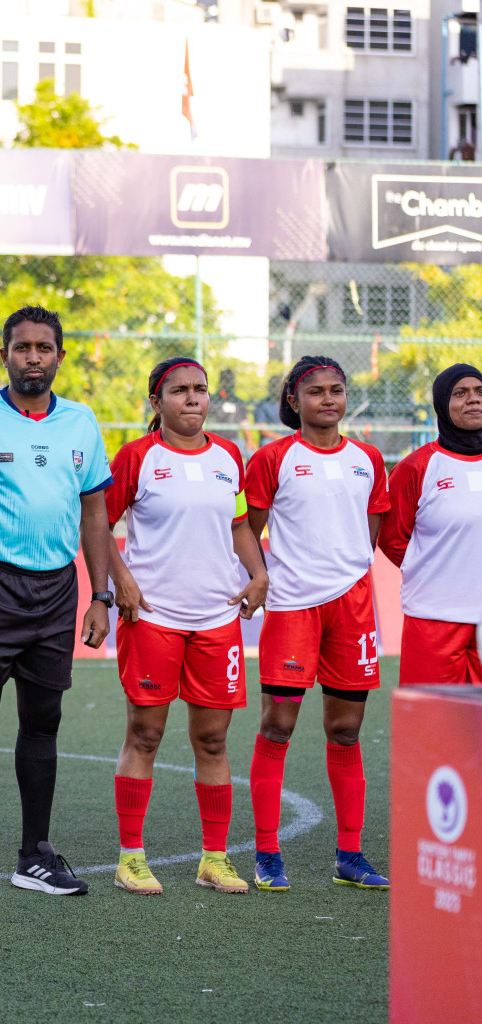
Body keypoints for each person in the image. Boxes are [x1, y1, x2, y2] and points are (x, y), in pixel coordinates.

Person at [0, 305, 113, 901]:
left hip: (58, 590)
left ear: (60, 356)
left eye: (44, 347)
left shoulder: (82, 422)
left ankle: (34, 855)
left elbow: (94, 513)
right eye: (22, 347)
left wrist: (100, 595)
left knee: (44, 721)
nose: (33, 357)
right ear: (4, 354)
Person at [106, 357, 269, 897]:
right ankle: (131, 858)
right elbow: (98, 526)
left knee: (214, 740)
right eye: (180, 391)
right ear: (157, 402)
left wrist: (258, 573)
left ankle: (213, 860)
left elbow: (240, 524)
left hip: (219, 618)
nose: (193, 399)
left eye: (200, 389)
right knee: (145, 734)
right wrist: (121, 580)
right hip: (152, 617)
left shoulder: (229, 456)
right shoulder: (136, 457)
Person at [244, 355, 390, 892]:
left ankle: (350, 856)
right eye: (315, 392)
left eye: (336, 390)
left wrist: (343, 571)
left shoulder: (368, 459)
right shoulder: (272, 458)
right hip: (292, 609)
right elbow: (247, 528)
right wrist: (262, 578)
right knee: (276, 727)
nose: (328, 399)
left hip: (353, 608)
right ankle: (266, 852)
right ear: (294, 401)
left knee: (346, 730)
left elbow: (369, 532)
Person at [378, 363, 482, 685]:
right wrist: (436, 570)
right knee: (431, 727)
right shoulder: (417, 467)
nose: (473, 400)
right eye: (460, 393)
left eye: (480, 392)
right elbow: (392, 538)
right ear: (441, 403)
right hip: (433, 616)